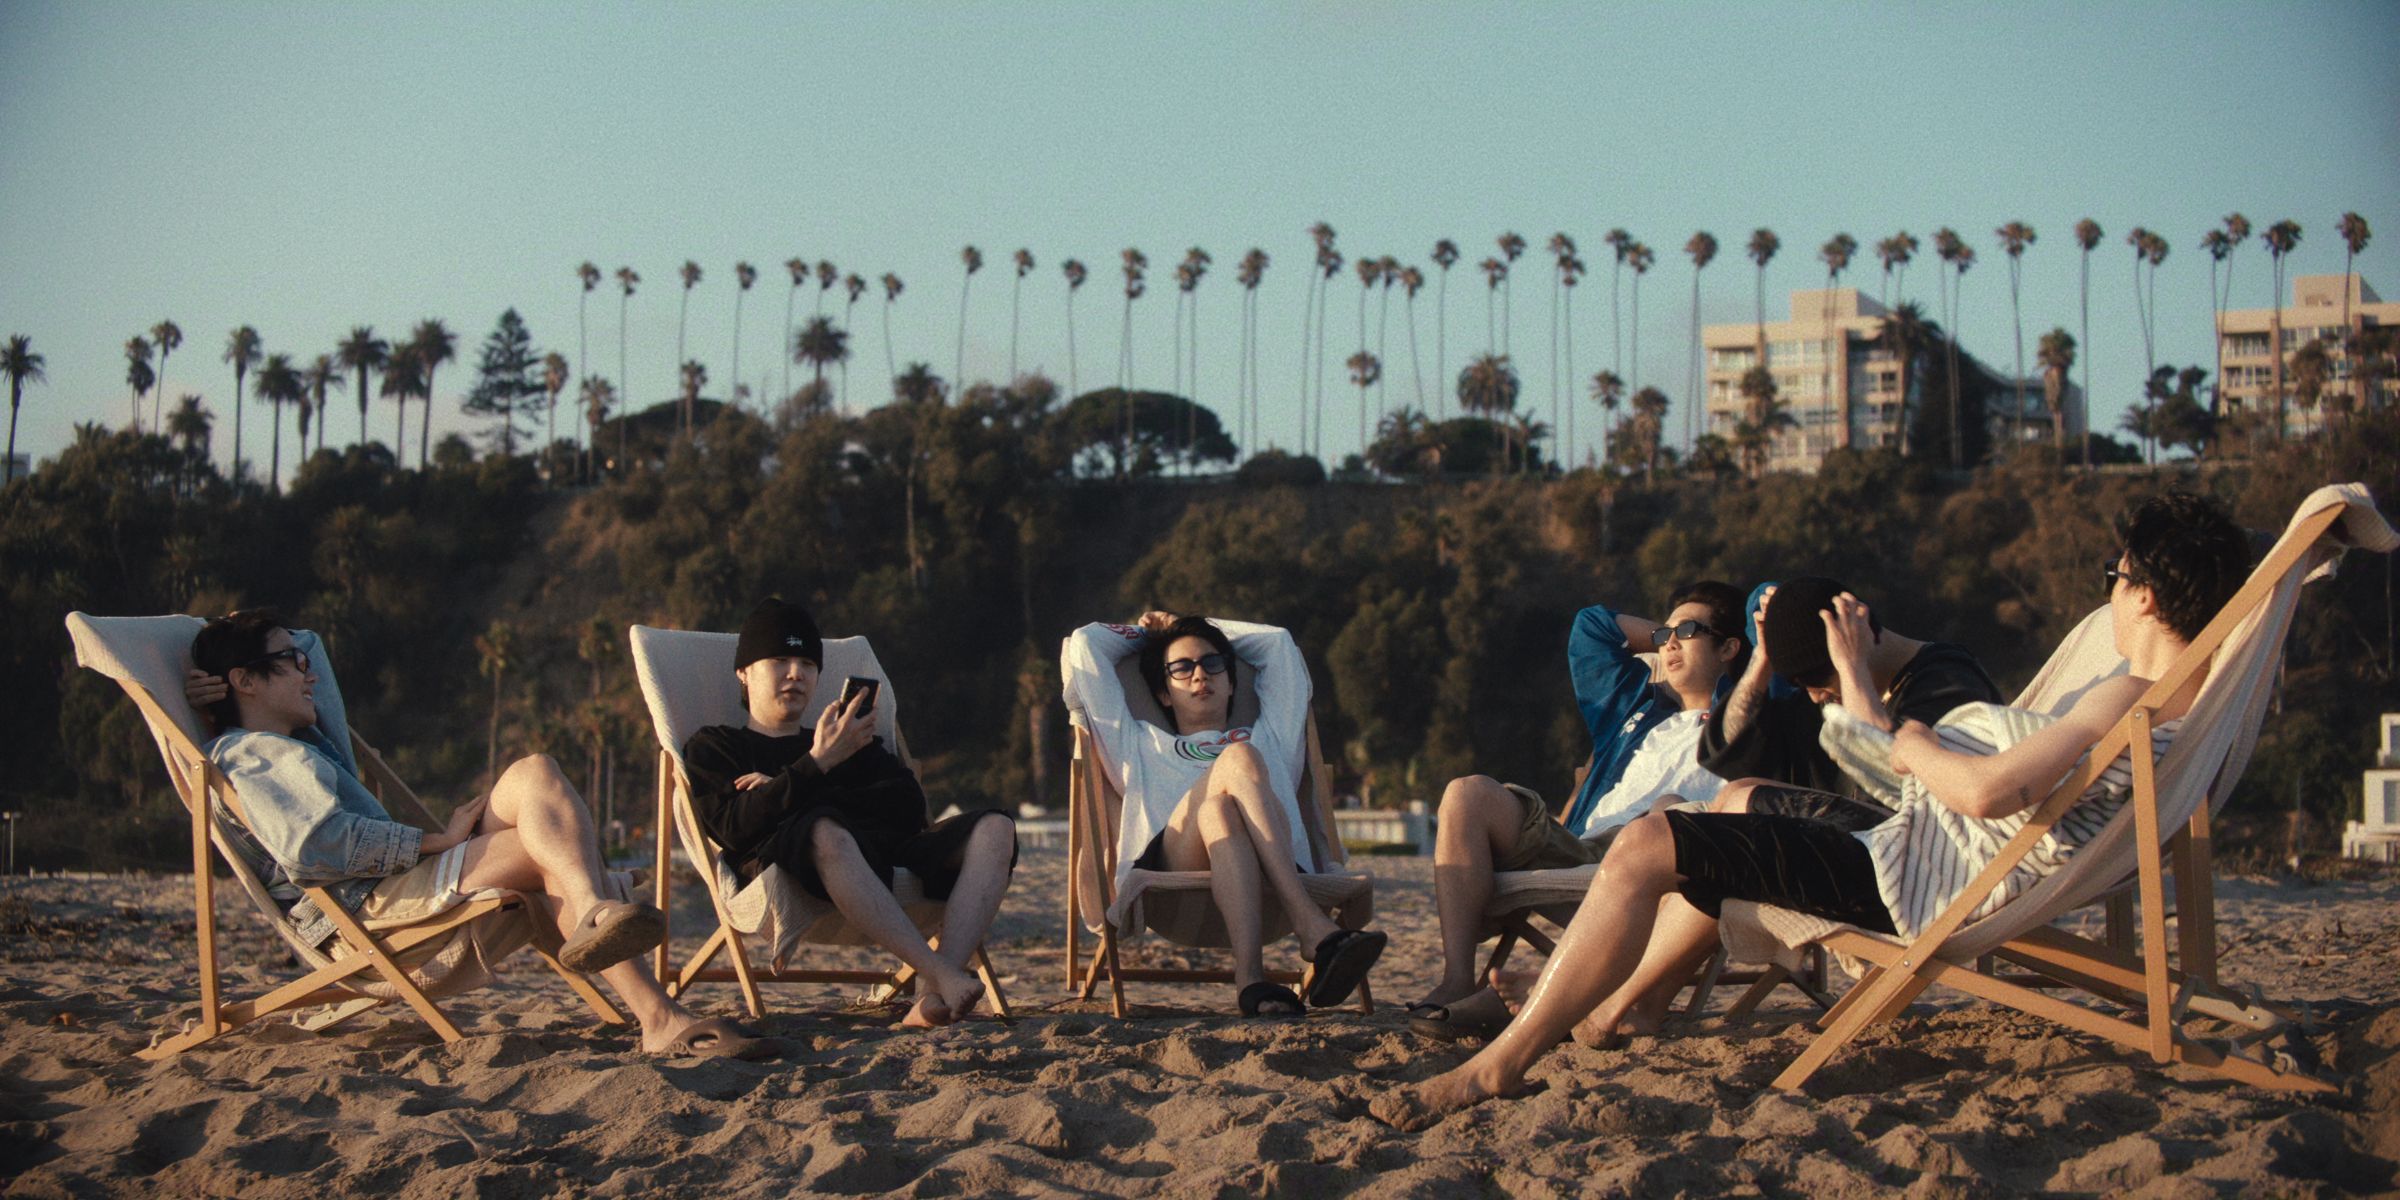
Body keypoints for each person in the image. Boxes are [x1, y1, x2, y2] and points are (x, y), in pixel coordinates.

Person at [1375, 492, 2251, 1130]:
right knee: (1733, 805)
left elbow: (1985, 793)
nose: (2109, 591)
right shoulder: (2175, 697)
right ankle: (1619, 1005)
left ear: (2141, 594)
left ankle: (1502, 1064)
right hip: (1936, 852)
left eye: (2115, 576)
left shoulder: (2130, 693)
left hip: (1915, 876)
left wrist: (1891, 731)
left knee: (1649, 842)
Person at [185, 611, 761, 1058]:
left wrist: (235, 661)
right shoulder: (252, 755)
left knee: (534, 772)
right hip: (366, 911)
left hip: (396, 883)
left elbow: (308, 644)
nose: (307, 670)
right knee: (547, 858)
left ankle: (589, 907)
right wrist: (432, 842)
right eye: (288, 662)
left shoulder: (299, 739)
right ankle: (656, 1015)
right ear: (245, 681)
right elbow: (315, 849)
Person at [1408, 581, 1749, 1040]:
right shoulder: (1634, 707)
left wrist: (1749, 638)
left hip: (1666, 868)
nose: (1668, 642)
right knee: (1467, 792)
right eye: (1664, 633)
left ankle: (1583, 993)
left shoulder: (1756, 714)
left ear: (1730, 646)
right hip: (1583, 850)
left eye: (1687, 630)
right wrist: (1673, 636)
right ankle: (1456, 981)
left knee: (1669, 809)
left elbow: (1774, 610)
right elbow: (1591, 627)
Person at [680, 598, 1016, 1028]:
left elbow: (909, 807)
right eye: (779, 660)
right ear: (744, 672)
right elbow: (732, 827)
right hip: (799, 864)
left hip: (886, 855)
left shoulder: (847, 735)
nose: (795, 673)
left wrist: (793, 783)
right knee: (824, 829)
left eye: (806, 663)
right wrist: (815, 764)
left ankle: (933, 998)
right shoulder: (717, 745)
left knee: (996, 827)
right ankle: (942, 975)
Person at [1061, 611, 1387, 1017]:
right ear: (1163, 692)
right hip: (1173, 868)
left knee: (1221, 808)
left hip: (1264, 862)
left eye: (1213, 663)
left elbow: (1278, 643)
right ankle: (1310, 923)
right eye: (1181, 668)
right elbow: (1086, 644)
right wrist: (1152, 633)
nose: (1200, 675)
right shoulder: (1138, 743)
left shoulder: (1274, 736)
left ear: (1232, 682)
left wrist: (1190, 623)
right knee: (1240, 757)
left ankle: (1249, 979)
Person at [1698, 577, 2003, 828]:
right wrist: (1762, 659)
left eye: (1818, 683)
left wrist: (1852, 670)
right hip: (1857, 843)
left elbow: (1900, 787)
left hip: (1911, 841)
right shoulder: (1823, 700)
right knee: (1707, 806)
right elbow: (1732, 745)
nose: (1815, 696)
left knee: (1741, 800)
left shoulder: (1946, 681)